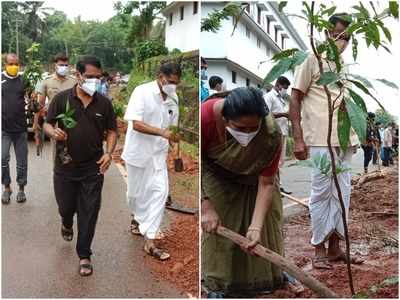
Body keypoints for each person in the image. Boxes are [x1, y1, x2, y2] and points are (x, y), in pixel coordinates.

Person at [289, 13, 363, 270]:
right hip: (320, 137)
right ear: (325, 34)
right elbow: (295, 97)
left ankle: (335, 248)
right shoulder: (311, 59)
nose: (339, 40)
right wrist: (298, 138)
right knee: (321, 193)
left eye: (344, 36)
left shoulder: (343, 65)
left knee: (342, 193)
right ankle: (318, 248)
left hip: (344, 138)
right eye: (335, 34)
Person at [201, 87, 284, 297]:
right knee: (218, 231)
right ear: (226, 119)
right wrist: (205, 205)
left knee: (265, 229)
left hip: (256, 178)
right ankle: (219, 283)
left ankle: (264, 282)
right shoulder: (205, 118)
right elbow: (196, 164)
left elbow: (266, 184)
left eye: (253, 129)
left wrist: (255, 227)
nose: (247, 134)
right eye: (240, 128)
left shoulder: (271, 134)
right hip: (216, 174)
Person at [43, 55, 117, 276]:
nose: (95, 81)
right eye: (90, 77)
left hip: (93, 168)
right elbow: (47, 123)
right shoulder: (62, 99)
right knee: (66, 207)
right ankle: (66, 222)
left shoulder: (104, 103)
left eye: (98, 77)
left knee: (89, 211)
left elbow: (112, 131)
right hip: (64, 167)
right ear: (78, 75)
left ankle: (84, 254)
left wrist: (109, 153)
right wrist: (52, 132)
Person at [122, 62, 181, 261]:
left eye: (176, 83)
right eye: (170, 81)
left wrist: (174, 145)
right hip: (138, 153)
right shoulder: (142, 92)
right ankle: (136, 218)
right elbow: (136, 123)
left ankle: (150, 240)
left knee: (160, 192)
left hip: (158, 155)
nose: (173, 86)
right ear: (160, 76)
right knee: (135, 195)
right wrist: (161, 132)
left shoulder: (174, 99)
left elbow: (172, 129)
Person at [2, 53, 28, 204]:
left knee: (22, 161)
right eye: (11, 63)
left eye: (16, 64)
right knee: (2, 158)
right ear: (5, 64)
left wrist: (33, 103)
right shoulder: (0, 79)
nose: (14, 66)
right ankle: (7, 187)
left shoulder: (23, 80)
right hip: (4, 129)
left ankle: (21, 189)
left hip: (21, 129)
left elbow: (31, 99)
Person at [264, 76, 291, 194]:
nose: (285, 90)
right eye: (284, 87)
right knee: (275, 161)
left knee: (280, 161)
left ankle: (278, 186)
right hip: (274, 133)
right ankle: (274, 187)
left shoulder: (280, 99)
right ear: (278, 85)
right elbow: (266, 114)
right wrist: (283, 114)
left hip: (282, 132)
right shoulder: (269, 97)